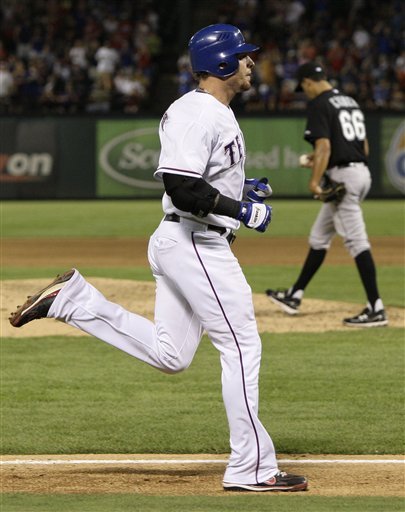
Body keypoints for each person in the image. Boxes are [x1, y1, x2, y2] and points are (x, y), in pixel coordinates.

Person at [9, 24, 307, 493]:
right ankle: (250, 467)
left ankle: (73, 301)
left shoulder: (211, 111)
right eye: (243, 55)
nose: (251, 61)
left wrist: (239, 188)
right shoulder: (198, 113)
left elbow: (200, 179)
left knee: (172, 355)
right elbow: (181, 187)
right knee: (242, 346)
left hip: (186, 241)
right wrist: (241, 210)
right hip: (196, 243)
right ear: (222, 63)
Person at [266, 61, 387, 327]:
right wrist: (321, 159)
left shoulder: (320, 103)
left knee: (357, 242)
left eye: (304, 87)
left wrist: (314, 181)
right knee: (319, 237)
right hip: (360, 173)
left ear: (309, 82)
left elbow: (324, 147)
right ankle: (295, 294)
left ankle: (376, 307)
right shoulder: (349, 102)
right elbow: (363, 147)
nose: (305, 92)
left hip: (343, 178)